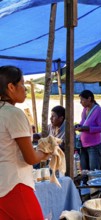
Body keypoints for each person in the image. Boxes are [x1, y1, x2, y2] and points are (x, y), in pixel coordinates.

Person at [0, 65, 49, 219]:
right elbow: (31, 158)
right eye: (22, 84)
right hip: (16, 185)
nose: (25, 89)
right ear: (11, 87)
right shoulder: (14, 114)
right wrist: (46, 152)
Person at [76, 90, 101, 170]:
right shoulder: (85, 109)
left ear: (89, 99)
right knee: (84, 170)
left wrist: (88, 129)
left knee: (93, 170)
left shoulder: (98, 110)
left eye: (82, 100)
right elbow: (83, 122)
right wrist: (78, 126)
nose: (80, 102)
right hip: (83, 145)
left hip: (94, 146)